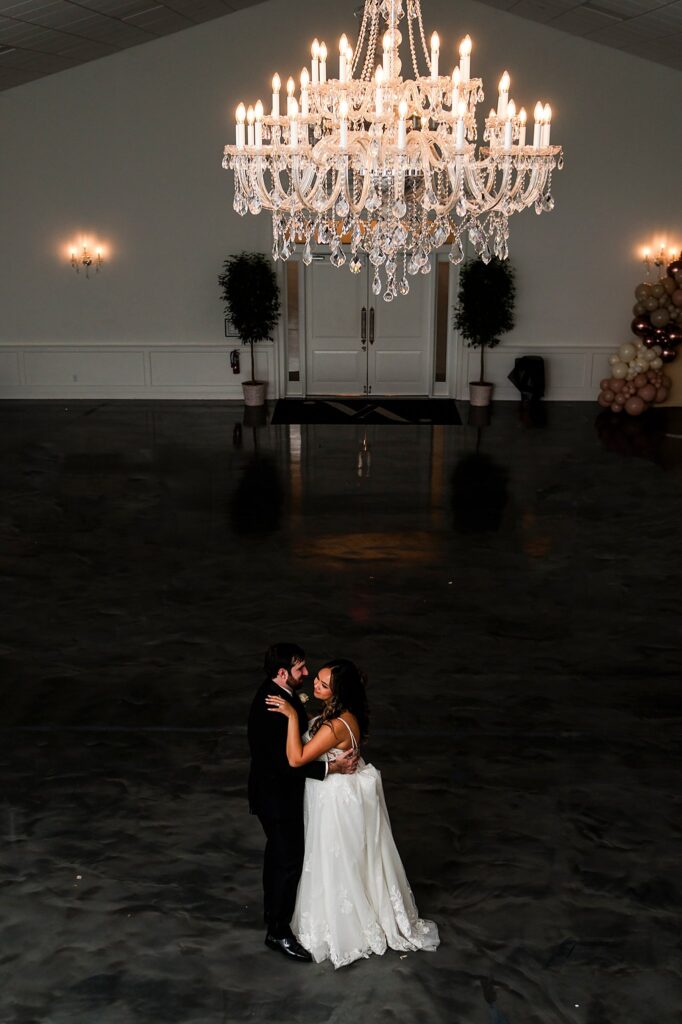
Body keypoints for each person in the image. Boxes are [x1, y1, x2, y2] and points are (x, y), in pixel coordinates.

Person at [266, 658, 439, 969]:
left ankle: (342, 925)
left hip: (334, 800)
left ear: (337, 693)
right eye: (316, 679)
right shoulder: (341, 715)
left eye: (322, 684)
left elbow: (297, 758)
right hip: (339, 793)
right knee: (343, 858)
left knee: (333, 861)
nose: (314, 684)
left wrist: (293, 716)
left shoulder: (335, 726)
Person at [248, 643, 358, 962]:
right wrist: (330, 767)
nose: (307, 674)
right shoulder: (271, 705)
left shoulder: (282, 692)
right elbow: (285, 762)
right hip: (276, 797)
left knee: (280, 855)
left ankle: (274, 914)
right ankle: (278, 931)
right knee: (289, 859)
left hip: (282, 792)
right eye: (300, 669)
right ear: (283, 673)